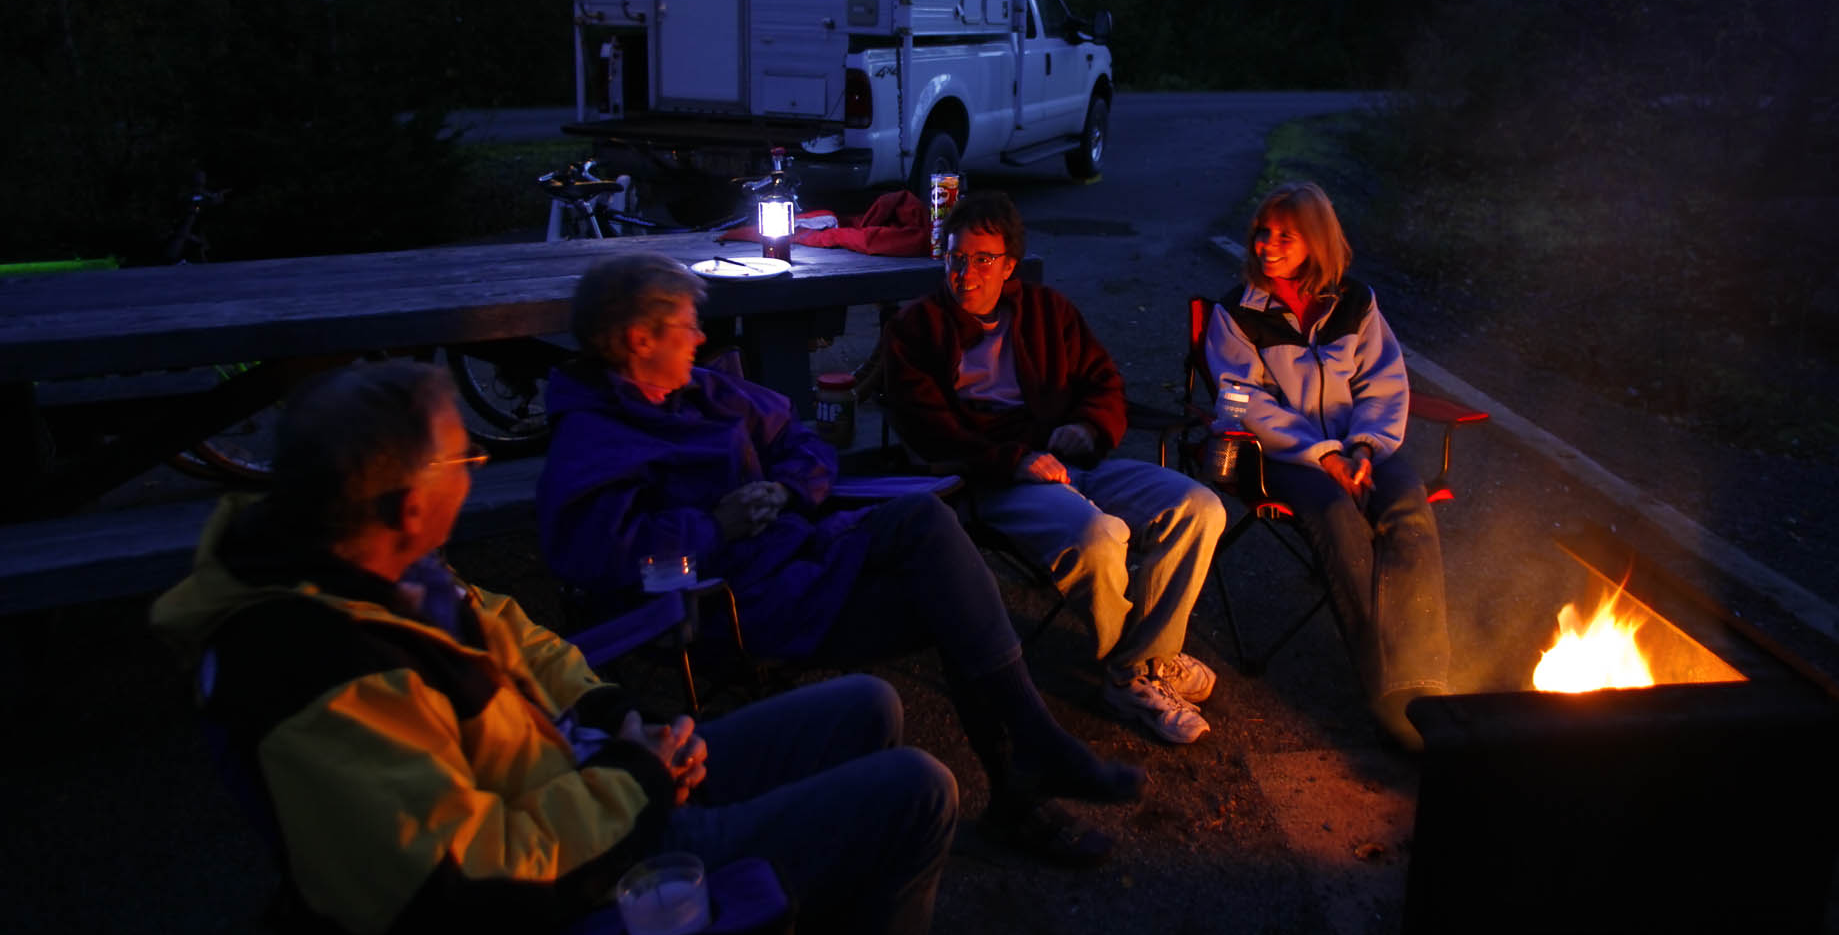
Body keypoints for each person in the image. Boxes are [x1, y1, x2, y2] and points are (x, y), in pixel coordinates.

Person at [150, 360, 957, 935]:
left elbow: (522, 637)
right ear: (404, 505)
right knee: (917, 790)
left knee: (867, 705)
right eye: (461, 455)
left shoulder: (376, 561)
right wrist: (635, 779)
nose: (471, 467)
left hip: (588, 785)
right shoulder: (319, 678)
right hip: (597, 894)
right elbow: (471, 882)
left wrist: (611, 713)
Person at [536, 253, 1145, 867]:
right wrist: (711, 526)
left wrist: (788, 490)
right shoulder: (595, 436)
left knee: (934, 538)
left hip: (805, 557)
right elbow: (596, 559)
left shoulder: (705, 390)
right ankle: (1028, 780)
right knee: (954, 598)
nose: (701, 336)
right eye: (688, 326)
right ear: (641, 339)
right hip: (731, 605)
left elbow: (801, 441)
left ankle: (1029, 769)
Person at [881, 192, 1228, 745]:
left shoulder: (1047, 313)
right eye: (955, 258)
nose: (966, 273)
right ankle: (1136, 674)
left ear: (1009, 265)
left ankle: (1143, 662)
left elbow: (1103, 382)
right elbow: (928, 430)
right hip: (993, 478)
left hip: (1072, 461)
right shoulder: (918, 329)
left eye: (983, 259)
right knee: (1099, 535)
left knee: (1200, 508)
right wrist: (1015, 459)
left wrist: (1089, 428)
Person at [1203, 181, 1449, 751]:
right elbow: (1239, 400)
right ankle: (1389, 695)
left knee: (1409, 514)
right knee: (1340, 518)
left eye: (1285, 236)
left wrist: (1365, 446)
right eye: (1262, 232)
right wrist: (1324, 454)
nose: (1267, 244)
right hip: (1278, 454)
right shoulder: (1236, 313)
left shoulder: (1355, 304)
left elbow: (1383, 382)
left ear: (1316, 242)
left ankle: (1426, 683)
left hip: (1358, 443)